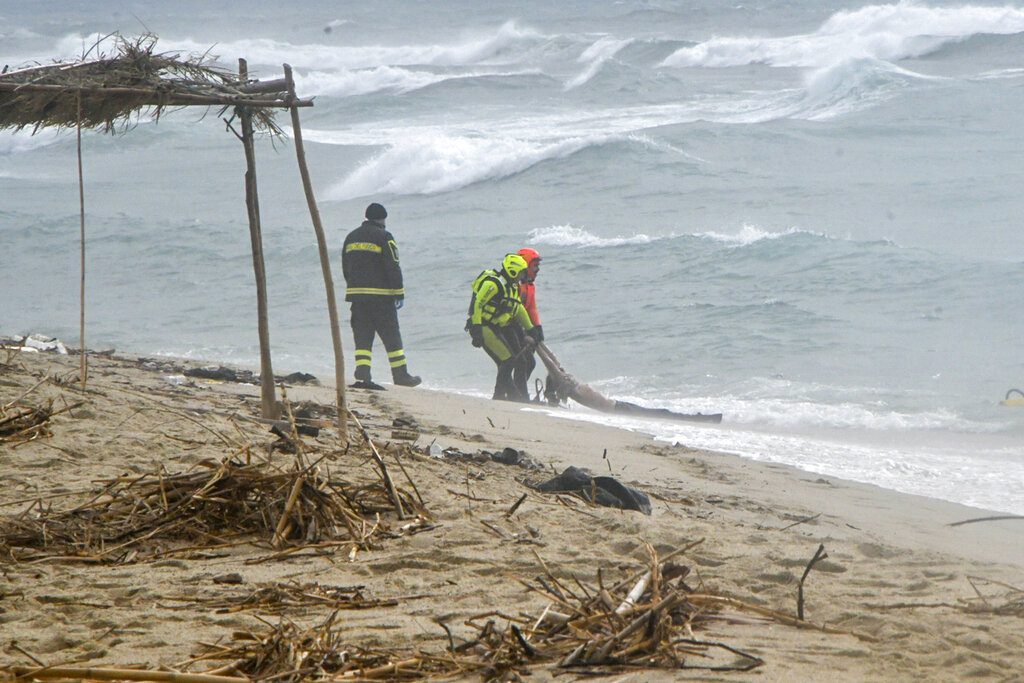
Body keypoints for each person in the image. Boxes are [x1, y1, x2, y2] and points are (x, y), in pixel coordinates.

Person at [342, 202, 421, 389]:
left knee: (362, 338)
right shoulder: (385, 237)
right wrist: (399, 292)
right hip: (381, 298)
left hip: (358, 297)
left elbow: (345, 266)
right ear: (383, 219)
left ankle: (362, 374)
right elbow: (392, 265)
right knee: (392, 337)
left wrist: (353, 287)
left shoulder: (351, 237)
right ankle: (401, 376)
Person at [466, 253, 542, 401]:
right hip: (483, 326)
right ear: (513, 271)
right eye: (520, 273)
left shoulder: (512, 287)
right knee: (507, 361)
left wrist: (532, 329)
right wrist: (476, 330)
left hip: (495, 327)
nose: (522, 276)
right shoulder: (493, 284)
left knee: (509, 361)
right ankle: (506, 396)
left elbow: (518, 308)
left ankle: (502, 396)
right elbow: (478, 305)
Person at [516, 248, 544, 396]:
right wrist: (524, 332)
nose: (537, 269)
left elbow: (532, 309)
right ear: (525, 264)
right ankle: (518, 395)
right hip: (510, 328)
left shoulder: (530, 286)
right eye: (535, 266)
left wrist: (538, 328)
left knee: (528, 362)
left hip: (522, 327)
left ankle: (516, 393)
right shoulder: (516, 286)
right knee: (524, 362)